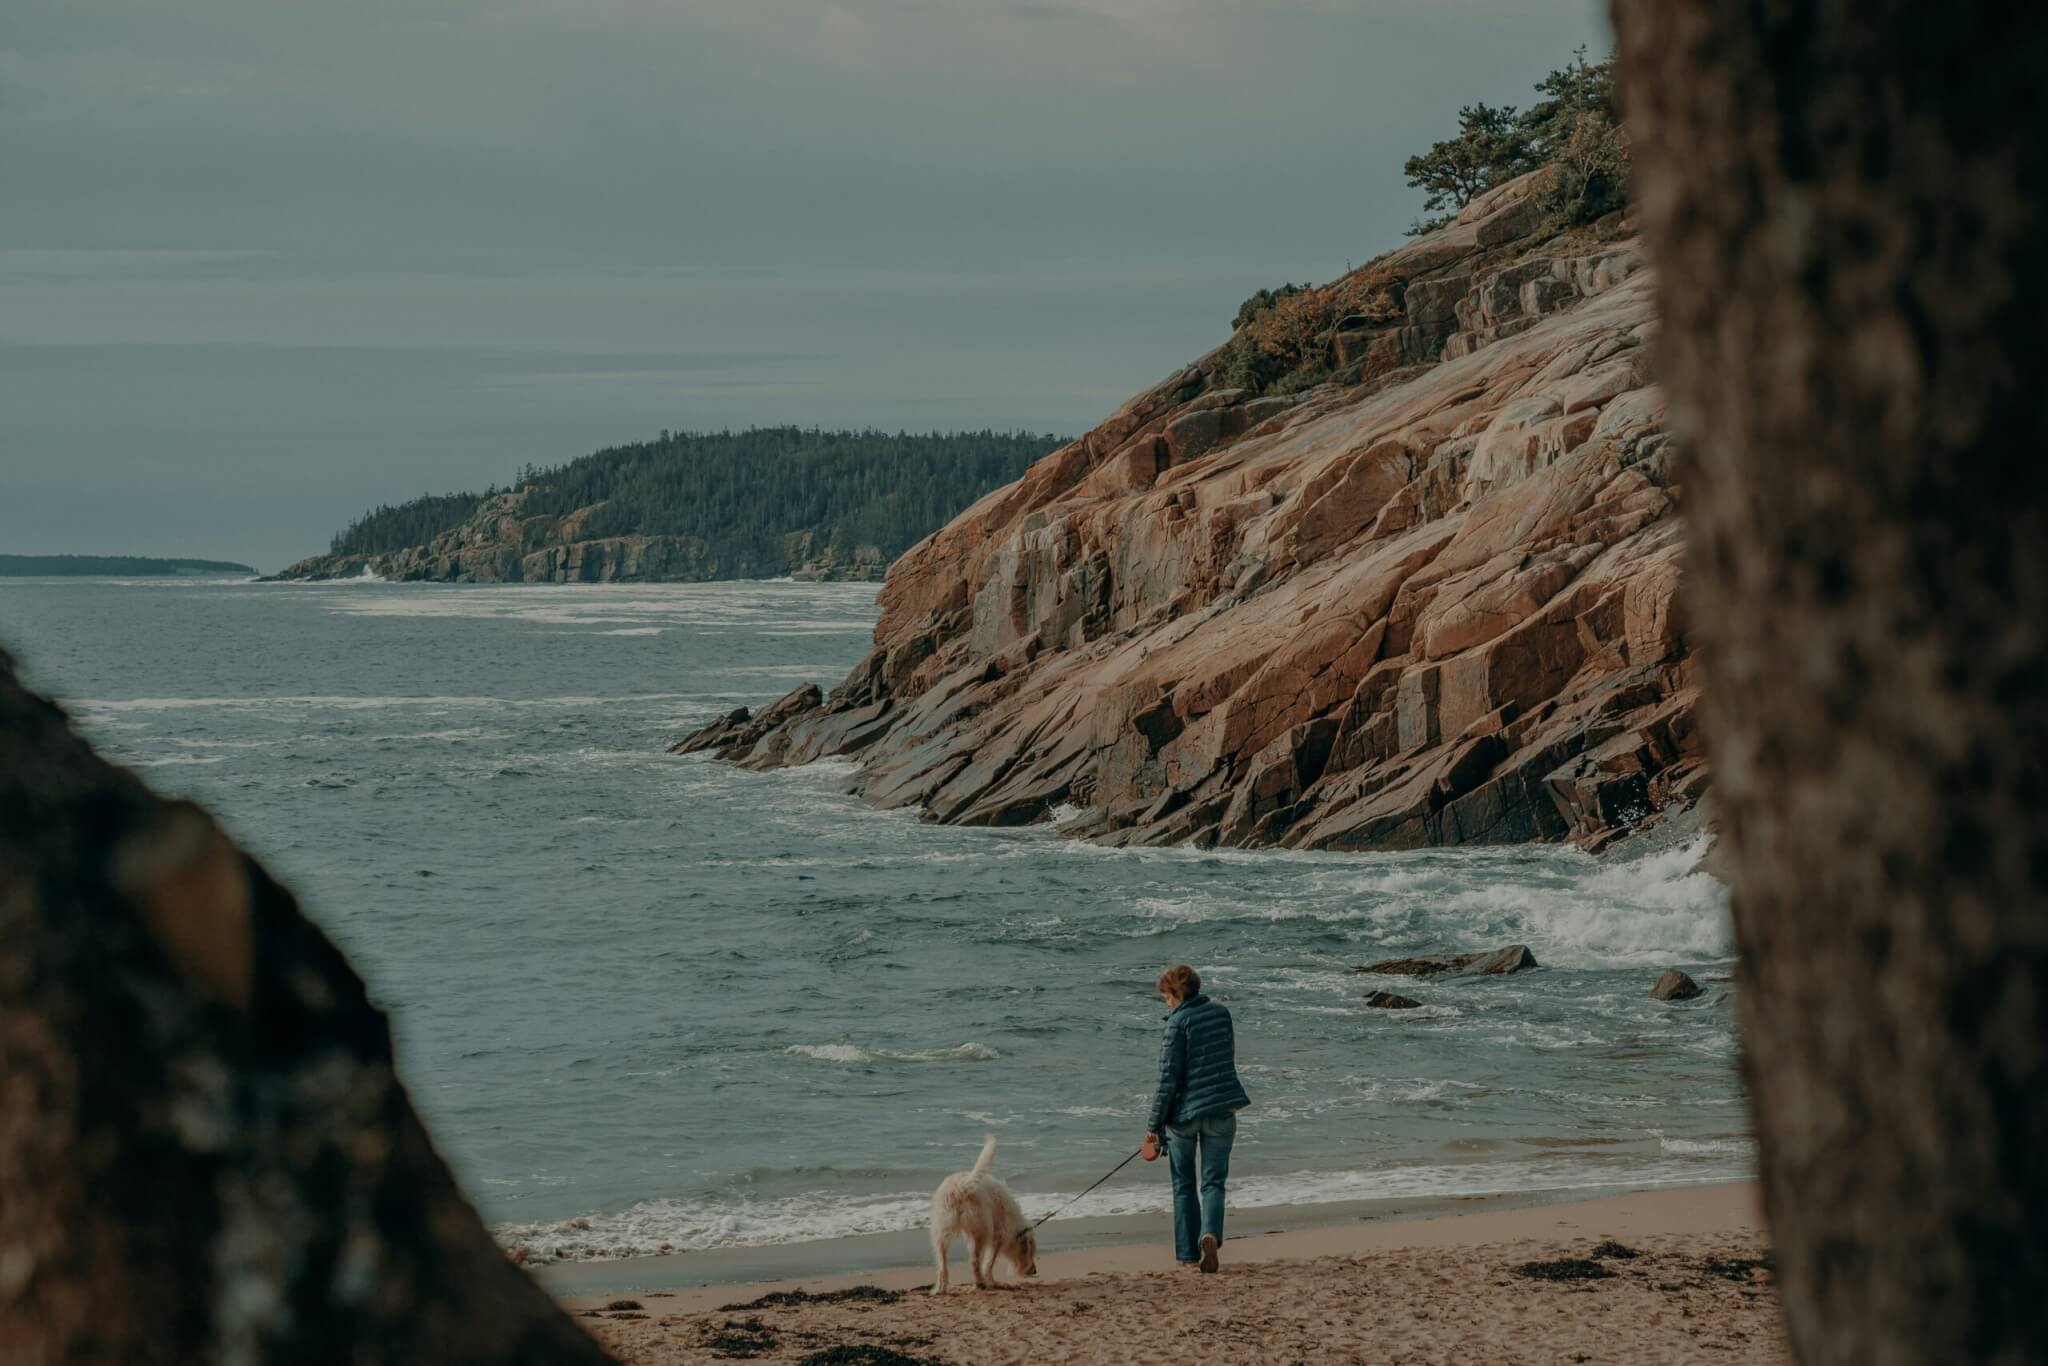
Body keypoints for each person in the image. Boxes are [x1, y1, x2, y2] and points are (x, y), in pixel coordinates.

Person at [1140, 963, 1250, 1273]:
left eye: (1165, 996)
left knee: (1183, 1185)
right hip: (1222, 1109)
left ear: (1176, 994)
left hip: (1184, 1117)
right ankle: (1210, 1234)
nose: (1166, 1002)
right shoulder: (1221, 1012)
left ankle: (1187, 1253)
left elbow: (1167, 1080)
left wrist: (1152, 1128)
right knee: (1213, 1183)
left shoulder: (1176, 1024)